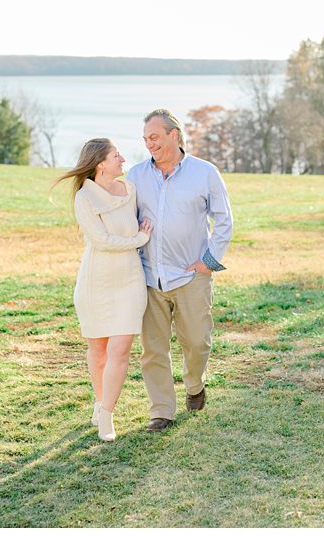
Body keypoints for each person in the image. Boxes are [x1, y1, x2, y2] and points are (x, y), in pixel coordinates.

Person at [129, 110, 233, 431]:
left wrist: (209, 261)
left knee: (197, 341)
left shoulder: (205, 173)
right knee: (153, 349)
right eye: (146, 139)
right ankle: (161, 410)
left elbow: (224, 219)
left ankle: (194, 385)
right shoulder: (135, 176)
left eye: (155, 137)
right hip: (149, 278)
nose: (149, 144)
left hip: (192, 276)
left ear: (174, 135)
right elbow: (124, 220)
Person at [57, 138, 150, 442]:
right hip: (97, 280)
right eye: (116, 155)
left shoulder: (130, 190)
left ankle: (107, 413)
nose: (122, 158)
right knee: (98, 350)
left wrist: (139, 238)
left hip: (130, 280)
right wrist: (138, 240)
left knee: (120, 347)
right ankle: (99, 403)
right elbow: (102, 241)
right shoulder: (84, 198)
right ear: (101, 164)